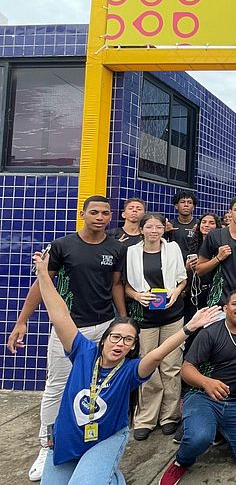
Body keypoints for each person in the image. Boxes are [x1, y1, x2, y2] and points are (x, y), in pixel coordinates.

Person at [33, 249, 220, 485]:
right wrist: (42, 273)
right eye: (115, 337)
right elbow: (59, 314)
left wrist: (189, 328)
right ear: (104, 339)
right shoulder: (83, 351)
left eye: (128, 340)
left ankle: (105, 473)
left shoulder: (130, 370)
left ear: (133, 346)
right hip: (70, 438)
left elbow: (158, 354)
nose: (120, 343)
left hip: (106, 438)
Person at [6, 195, 126, 482]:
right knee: (57, 386)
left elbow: (116, 285)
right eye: (94, 212)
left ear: (111, 217)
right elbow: (42, 283)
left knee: (96, 385)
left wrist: (122, 320)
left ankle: (91, 441)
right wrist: (22, 321)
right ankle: (47, 446)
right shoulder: (62, 246)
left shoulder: (116, 247)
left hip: (105, 327)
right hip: (69, 329)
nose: (100, 217)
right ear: (82, 213)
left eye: (105, 213)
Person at [159, 290, 236, 485]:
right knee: (200, 437)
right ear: (226, 308)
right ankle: (181, 461)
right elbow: (186, 369)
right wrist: (206, 382)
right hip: (204, 397)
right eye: (235, 304)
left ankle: (219, 428)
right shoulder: (211, 332)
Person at [123, 213, 188, 440]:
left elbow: (182, 279)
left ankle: (169, 416)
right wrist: (137, 296)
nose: (154, 230)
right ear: (141, 229)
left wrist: (176, 292)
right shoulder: (132, 252)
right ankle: (145, 418)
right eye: (149, 226)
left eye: (158, 227)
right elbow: (126, 286)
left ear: (164, 229)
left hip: (172, 314)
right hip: (145, 316)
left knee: (171, 366)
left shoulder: (173, 249)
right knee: (147, 366)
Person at [187, 212, 221, 313]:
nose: (206, 225)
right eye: (204, 222)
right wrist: (188, 266)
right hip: (195, 290)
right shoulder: (194, 243)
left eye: (211, 223)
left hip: (212, 290)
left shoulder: (221, 245)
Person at [165, 191, 199, 258]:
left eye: (189, 202)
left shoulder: (199, 225)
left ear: (194, 207)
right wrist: (165, 232)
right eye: (182, 202)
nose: (186, 205)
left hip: (193, 263)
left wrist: (199, 233)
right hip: (174, 263)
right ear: (176, 206)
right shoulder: (169, 225)